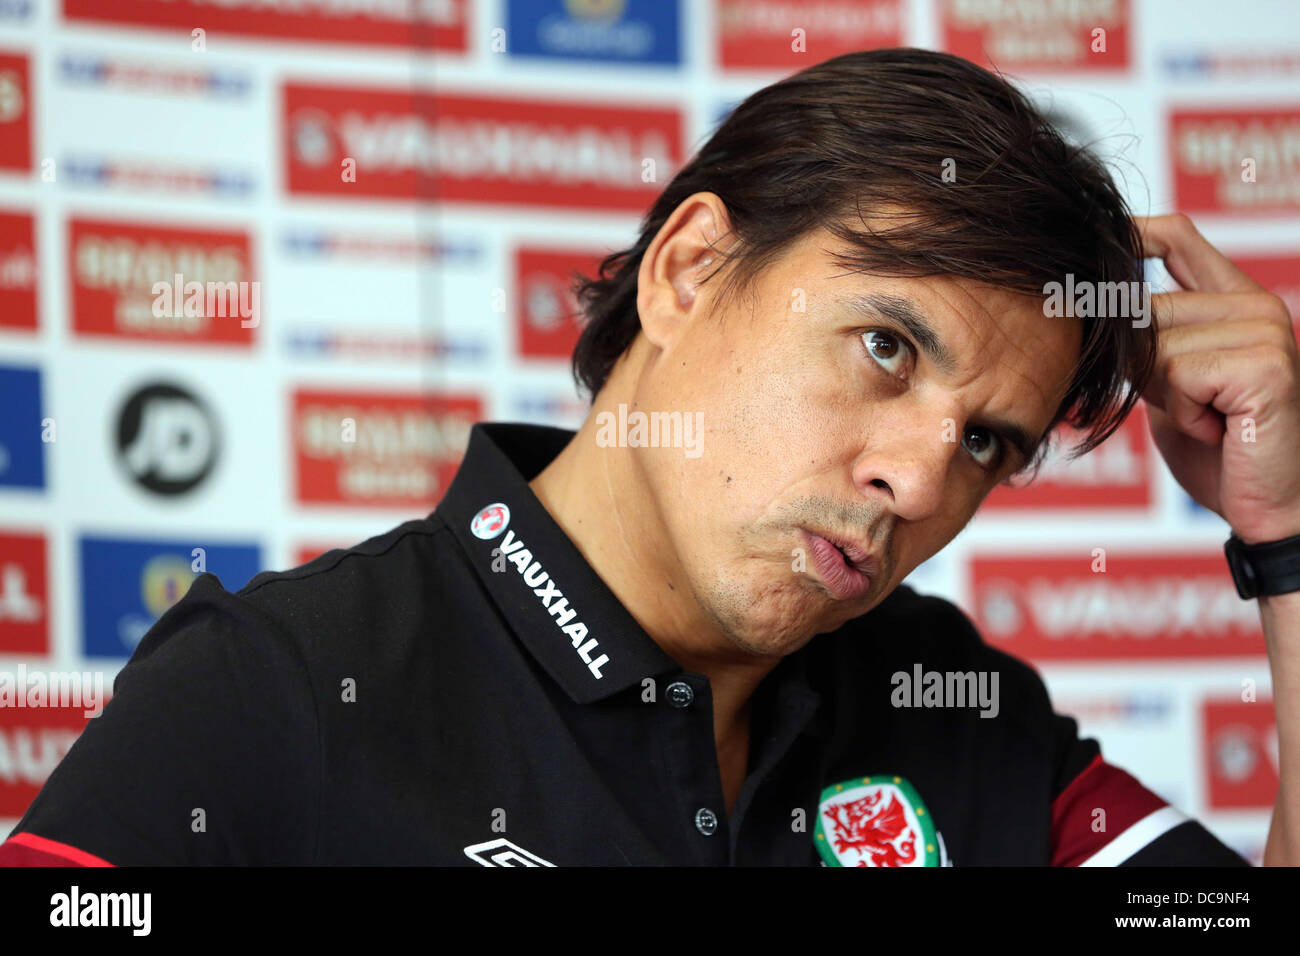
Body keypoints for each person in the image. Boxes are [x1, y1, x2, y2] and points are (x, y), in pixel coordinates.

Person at [4, 48, 1297, 867]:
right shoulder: (278, 689)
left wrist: (1287, 540)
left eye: (985, 441)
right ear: (688, 270)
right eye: (887, 348)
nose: (918, 481)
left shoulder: (957, 708)